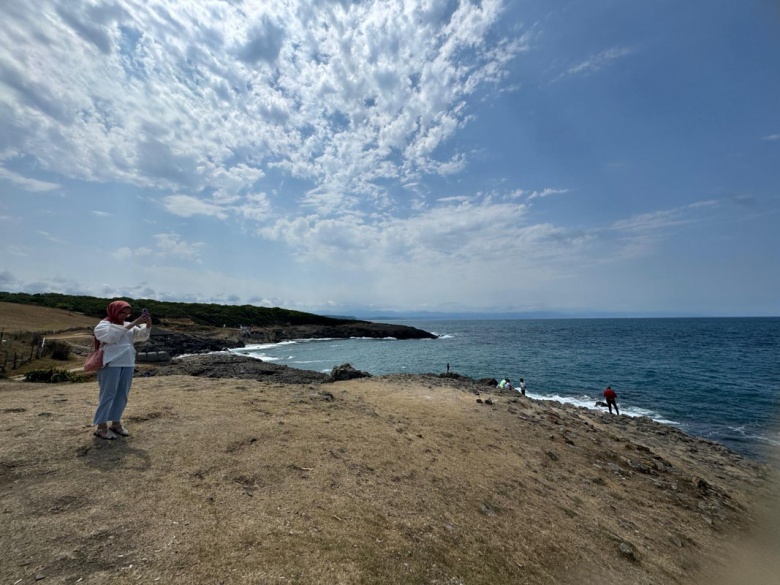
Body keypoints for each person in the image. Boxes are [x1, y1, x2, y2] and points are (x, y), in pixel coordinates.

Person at [92, 301, 151, 440]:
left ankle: (116, 422)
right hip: (110, 363)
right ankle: (101, 426)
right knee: (108, 394)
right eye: (122, 313)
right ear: (113, 311)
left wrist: (148, 324)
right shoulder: (103, 325)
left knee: (122, 394)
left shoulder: (127, 324)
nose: (124, 316)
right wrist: (134, 322)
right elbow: (111, 337)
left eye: (127, 313)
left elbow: (141, 336)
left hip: (128, 362)